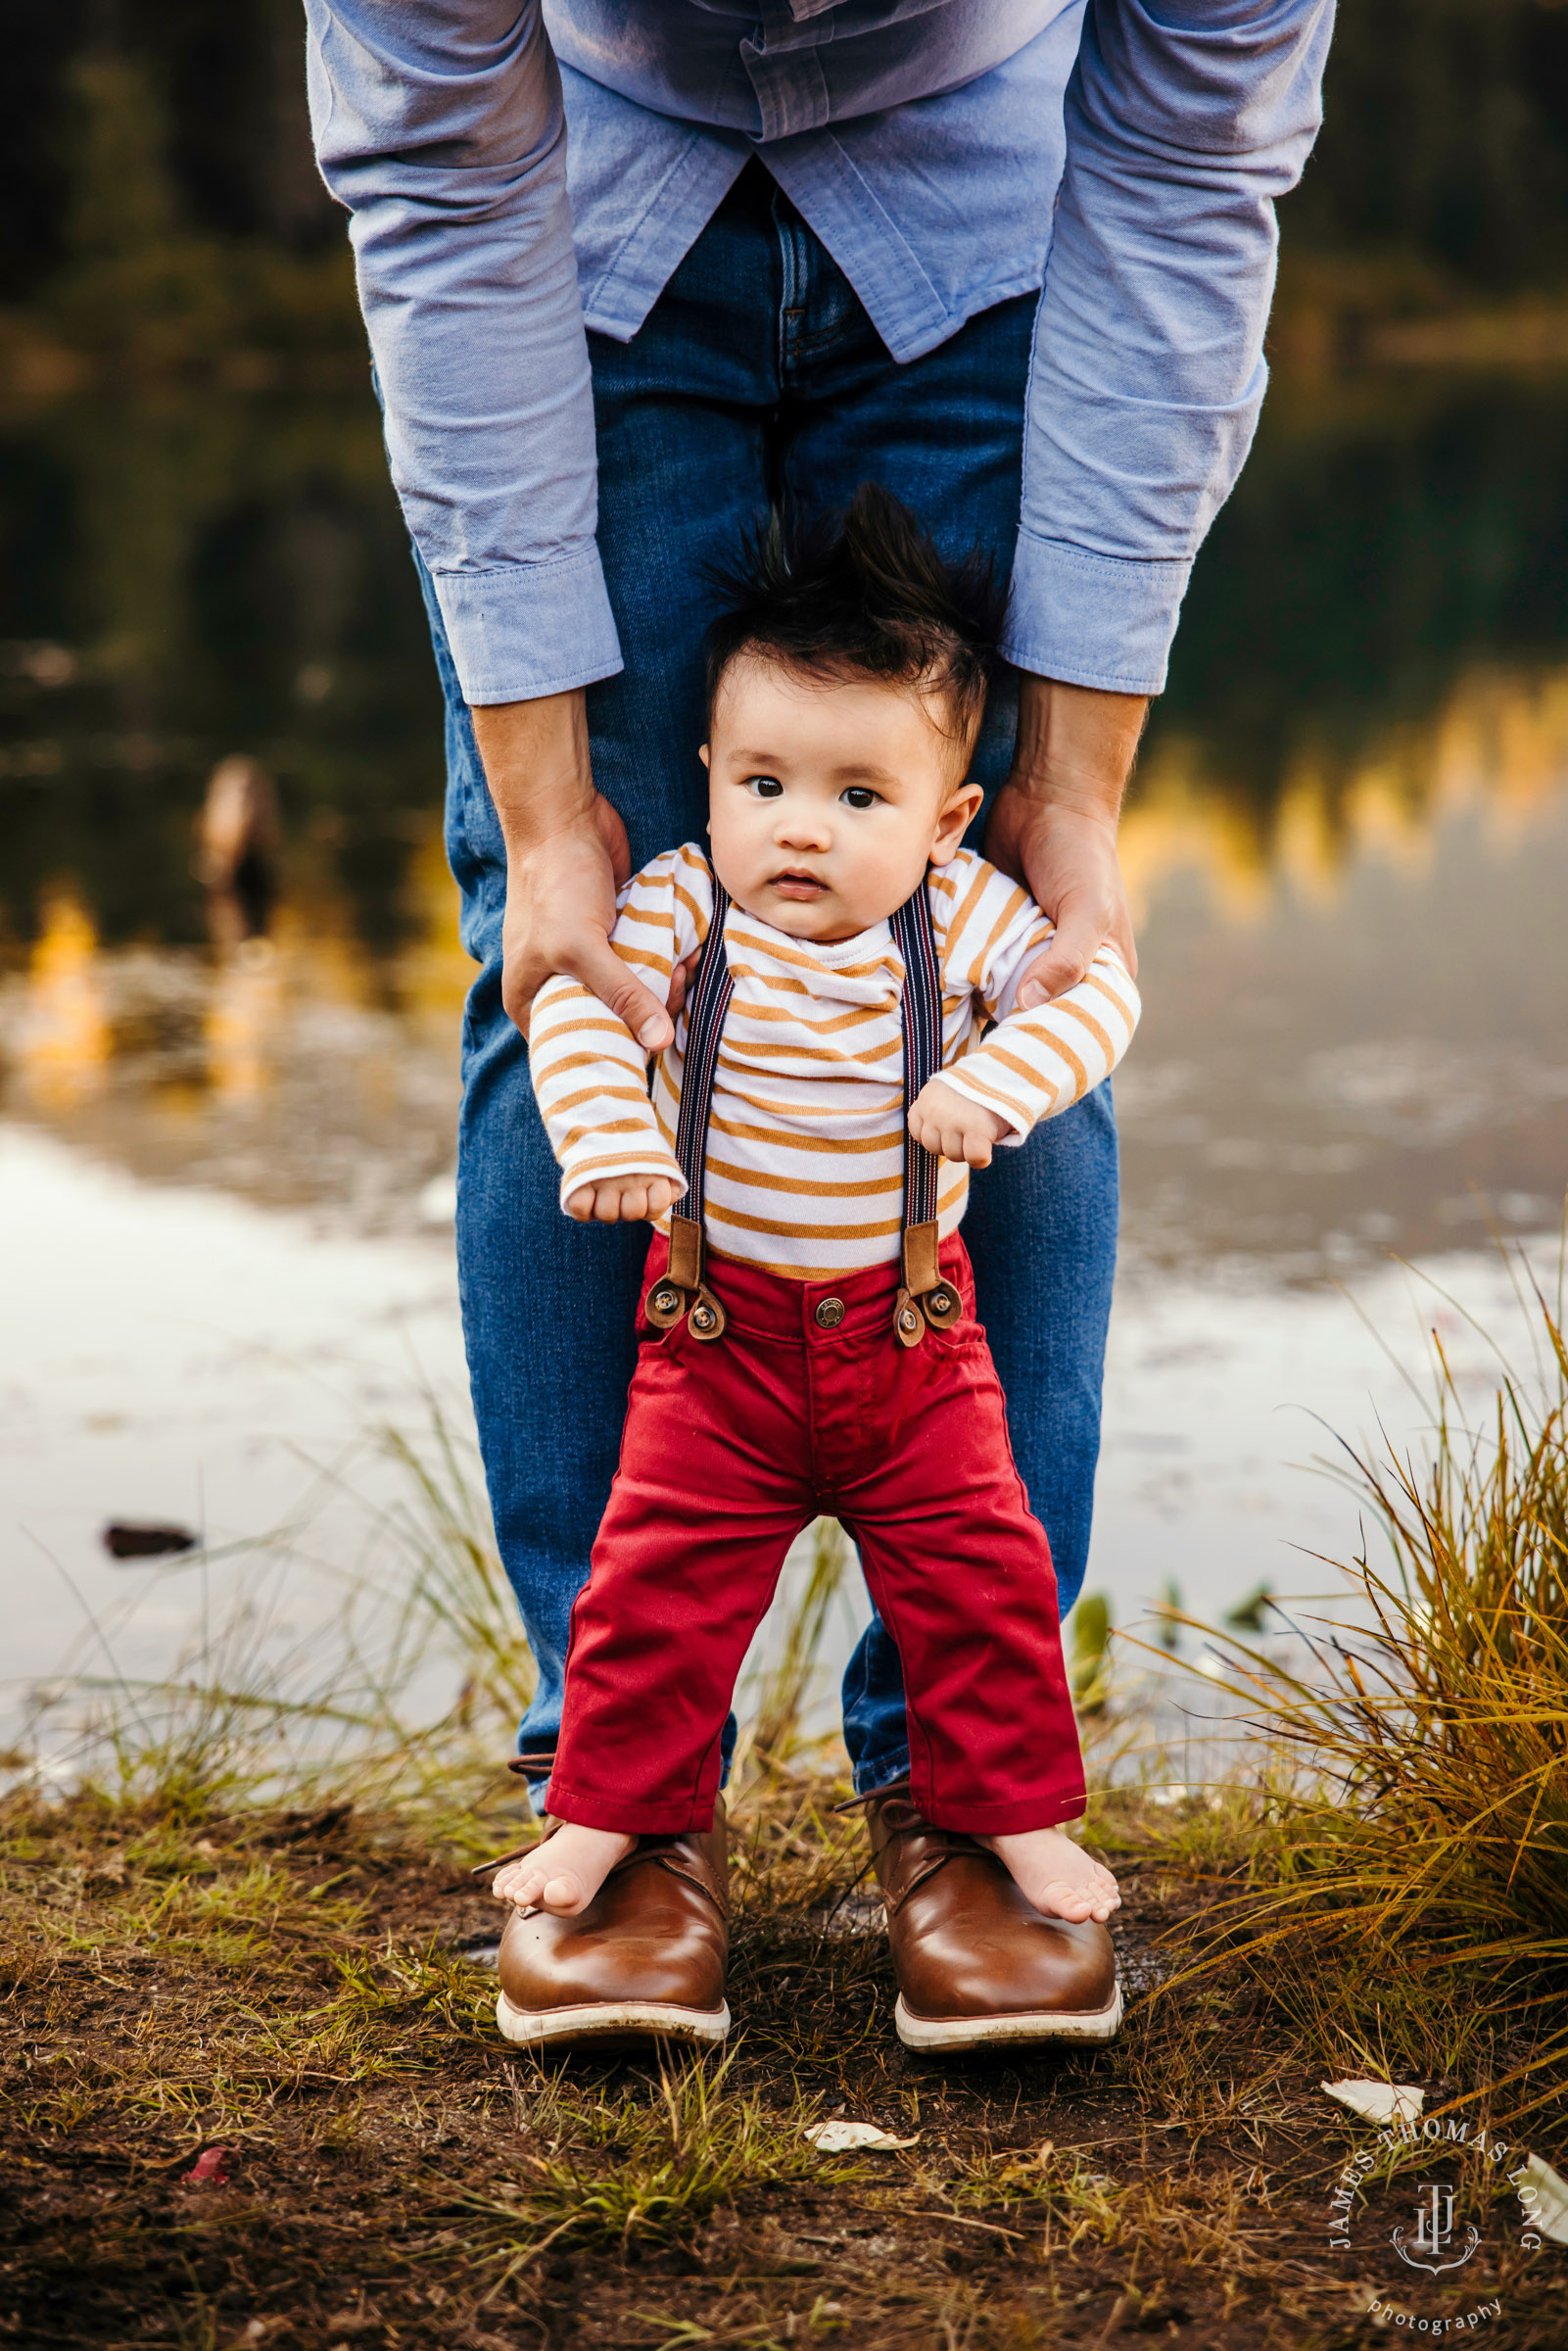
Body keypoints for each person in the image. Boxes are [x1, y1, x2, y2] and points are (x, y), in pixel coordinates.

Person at [304, 0, 1334, 2042]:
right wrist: (540, 816)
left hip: (999, 228)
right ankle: (617, 1800)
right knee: (572, 951)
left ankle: (972, 1798)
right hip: (574, 224)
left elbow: (1198, 149)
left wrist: (1082, 789)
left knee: (1019, 942)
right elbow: (435, 153)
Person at [488, 490, 1136, 2053]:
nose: (800, 825)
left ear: (946, 820)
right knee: (655, 1595)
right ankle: (606, 1820)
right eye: (764, 781)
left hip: (912, 1343)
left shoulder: (965, 919)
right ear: (704, 777)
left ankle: (1008, 1818)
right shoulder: (676, 906)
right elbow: (573, 1013)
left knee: (979, 1577)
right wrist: (599, 1140)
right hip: (714, 1344)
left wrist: (1003, 1084)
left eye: (858, 795)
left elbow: (1092, 991)